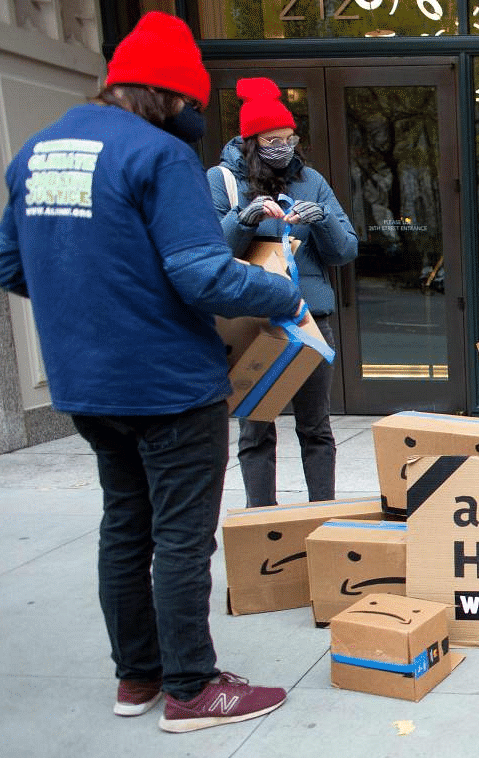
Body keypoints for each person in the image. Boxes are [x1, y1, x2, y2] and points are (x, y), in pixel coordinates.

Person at [0, 11, 297, 733]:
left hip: (85, 384)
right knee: (183, 537)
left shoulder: (36, 151)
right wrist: (281, 293)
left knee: (125, 526)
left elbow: (8, 264)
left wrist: (89, 297)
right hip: (168, 382)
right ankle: (192, 688)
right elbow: (203, 278)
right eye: (191, 104)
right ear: (165, 95)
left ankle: (138, 679)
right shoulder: (159, 157)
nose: (193, 118)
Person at [207, 77, 358, 507]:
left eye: (290, 138)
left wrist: (323, 218)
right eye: (273, 139)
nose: (284, 147)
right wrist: (244, 217)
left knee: (317, 427)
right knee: (255, 428)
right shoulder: (222, 181)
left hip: (308, 318)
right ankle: (263, 522)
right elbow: (212, 252)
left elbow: (345, 250)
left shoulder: (311, 181)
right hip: (250, 318)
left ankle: (322, 517)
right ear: (251, 141)